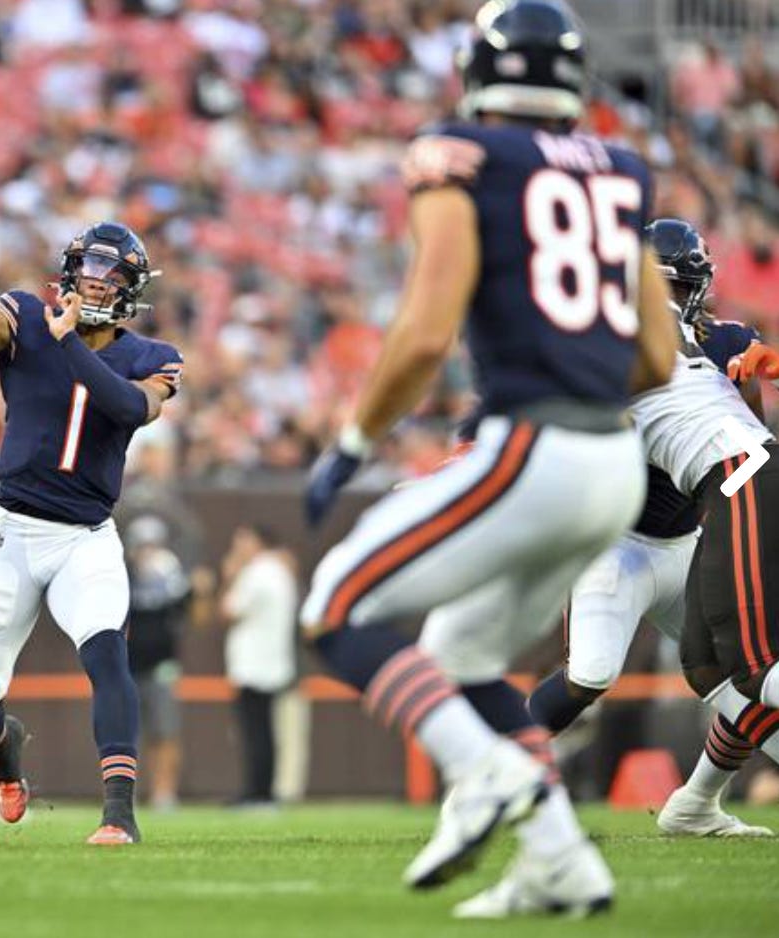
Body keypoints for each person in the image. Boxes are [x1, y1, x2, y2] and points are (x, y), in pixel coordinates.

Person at [300, 0, 678, 917]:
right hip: (613, 460)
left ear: (478, 71)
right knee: (462, 652)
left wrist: (353, 443)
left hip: (534, 447)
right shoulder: (621, 172)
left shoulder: (459, 156)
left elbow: (427, 331)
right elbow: (657, 358)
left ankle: (488, 771)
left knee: (337, 607)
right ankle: (561, 861)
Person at [0, 187, 183, 845]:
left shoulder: (150, 356)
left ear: (131, 290)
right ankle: (7, 756)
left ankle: (119, 813)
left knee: (108, 654)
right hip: (12, 531)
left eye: (108, 277)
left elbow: (131, 409)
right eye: (85, 272)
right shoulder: (27, 319)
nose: (92, 285)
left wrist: (69, 347)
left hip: (85, 537)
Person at [525, 218, 772, 837]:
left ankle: (693, 807)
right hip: (623, 539)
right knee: (596, 672)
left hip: (703, 519)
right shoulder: (611, 346)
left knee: (737, 669)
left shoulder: (711, 339)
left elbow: (746, 425)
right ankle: (494, 772)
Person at [123, 514, 209, 811]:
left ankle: (164, 793)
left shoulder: (172, 579)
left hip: (162, 665)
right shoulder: (121, 578)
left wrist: (199, 591)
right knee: (125, 734)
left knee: (166, 731)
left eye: (153, 545)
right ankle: (124, 793)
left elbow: (195, 617)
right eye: (142, 545)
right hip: (127, 667)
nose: (147, 552)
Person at [219, 524, 298, 807]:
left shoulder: (257, 573)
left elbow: (229, 610)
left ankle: (258, 791)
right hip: (272, 662)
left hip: (255, 665)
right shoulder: (278, 570)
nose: (238, 546)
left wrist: (230, 576)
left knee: (256, 732)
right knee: (263, 730)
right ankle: (261, 790)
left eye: (243, 540)